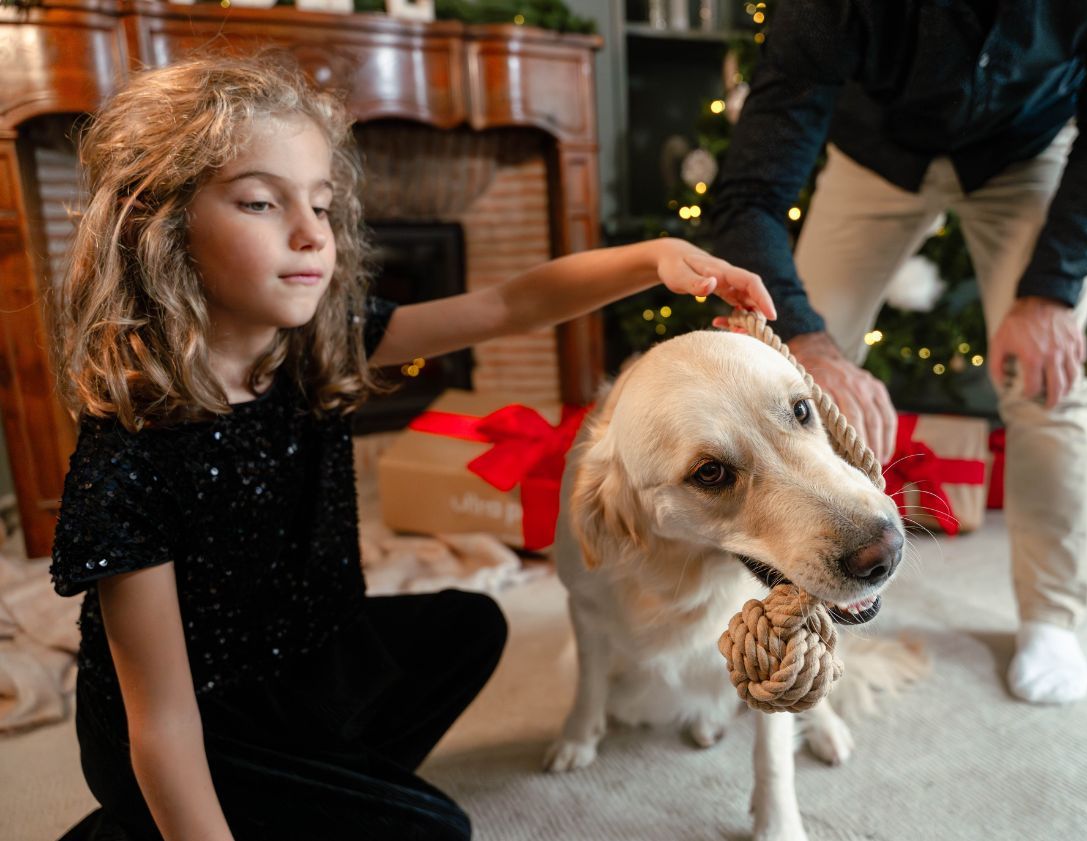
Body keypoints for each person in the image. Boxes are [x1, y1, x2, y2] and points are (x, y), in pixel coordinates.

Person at [49, 54, 775, 841]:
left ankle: (310, 792)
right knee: (437, 830)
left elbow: (508, 303)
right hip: (200, 718)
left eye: (322, 206)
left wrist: (653, 258)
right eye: (261, 202)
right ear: (161, 226)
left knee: (473, 626)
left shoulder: (321, 344)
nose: (308, 234)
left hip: (309, 654)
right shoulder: (131, 452)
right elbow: (158, 721)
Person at [711, 0, 1087, 705]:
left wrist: (1051, 295)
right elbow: (751, 191)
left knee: (1047, 379)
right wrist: (812, 343)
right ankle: (770, 589)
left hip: (1029, 148)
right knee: (780, 370)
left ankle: (1052, 616)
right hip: (875, 152)